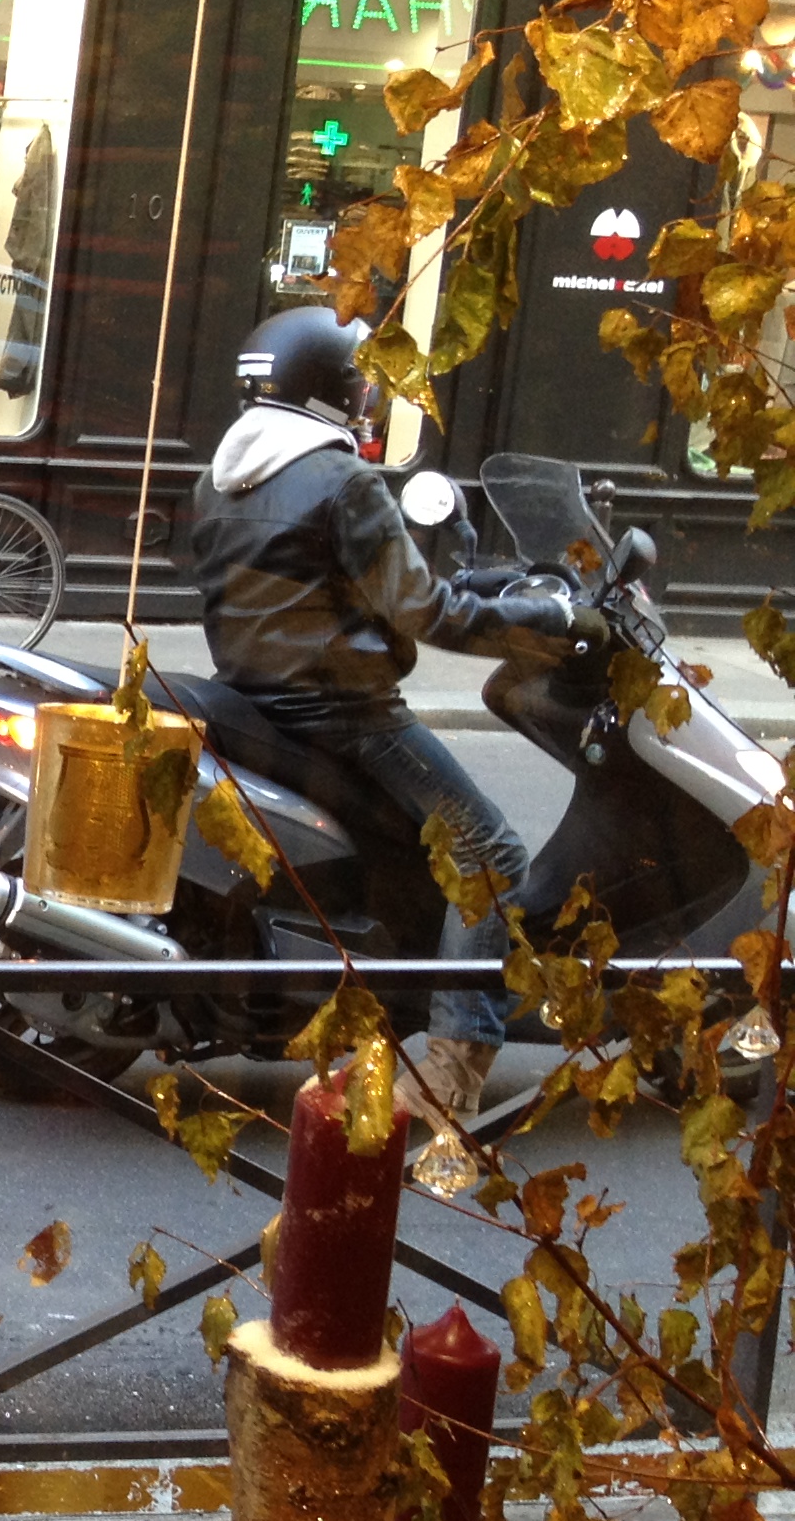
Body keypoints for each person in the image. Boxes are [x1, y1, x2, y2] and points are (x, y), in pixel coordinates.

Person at [177, 304, 600, 1125]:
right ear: (331, 388)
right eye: (362, 383)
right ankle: (452, 1065)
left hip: (259, 699)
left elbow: (321, 586)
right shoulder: (344, 480)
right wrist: (547, 624)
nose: (368, 397)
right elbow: (424, 612)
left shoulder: (221, 478)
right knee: (488, 849)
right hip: (347, 712)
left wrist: (469, 589)